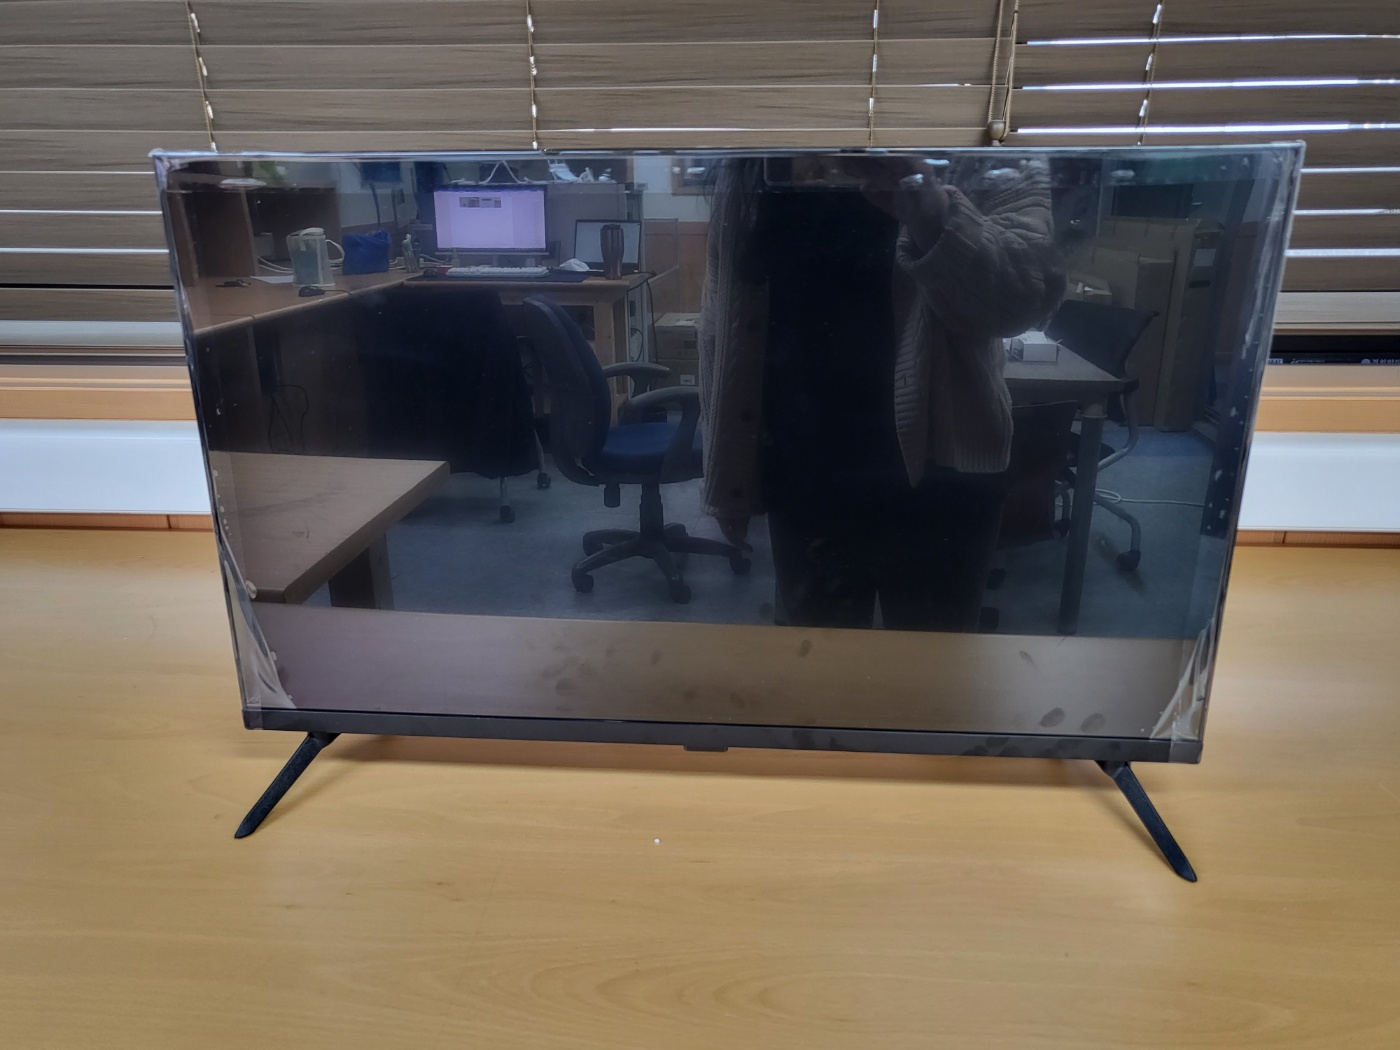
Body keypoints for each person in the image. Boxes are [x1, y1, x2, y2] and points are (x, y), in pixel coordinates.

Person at [698, 154, 1065, 631]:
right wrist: (727, 471)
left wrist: (932, 211)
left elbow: (1023, 301)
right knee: (816, 671)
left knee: (932, 671)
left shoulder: (980, 132)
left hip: (943, 475)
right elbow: (722, 315)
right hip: (801, 470)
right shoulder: (762, 143)